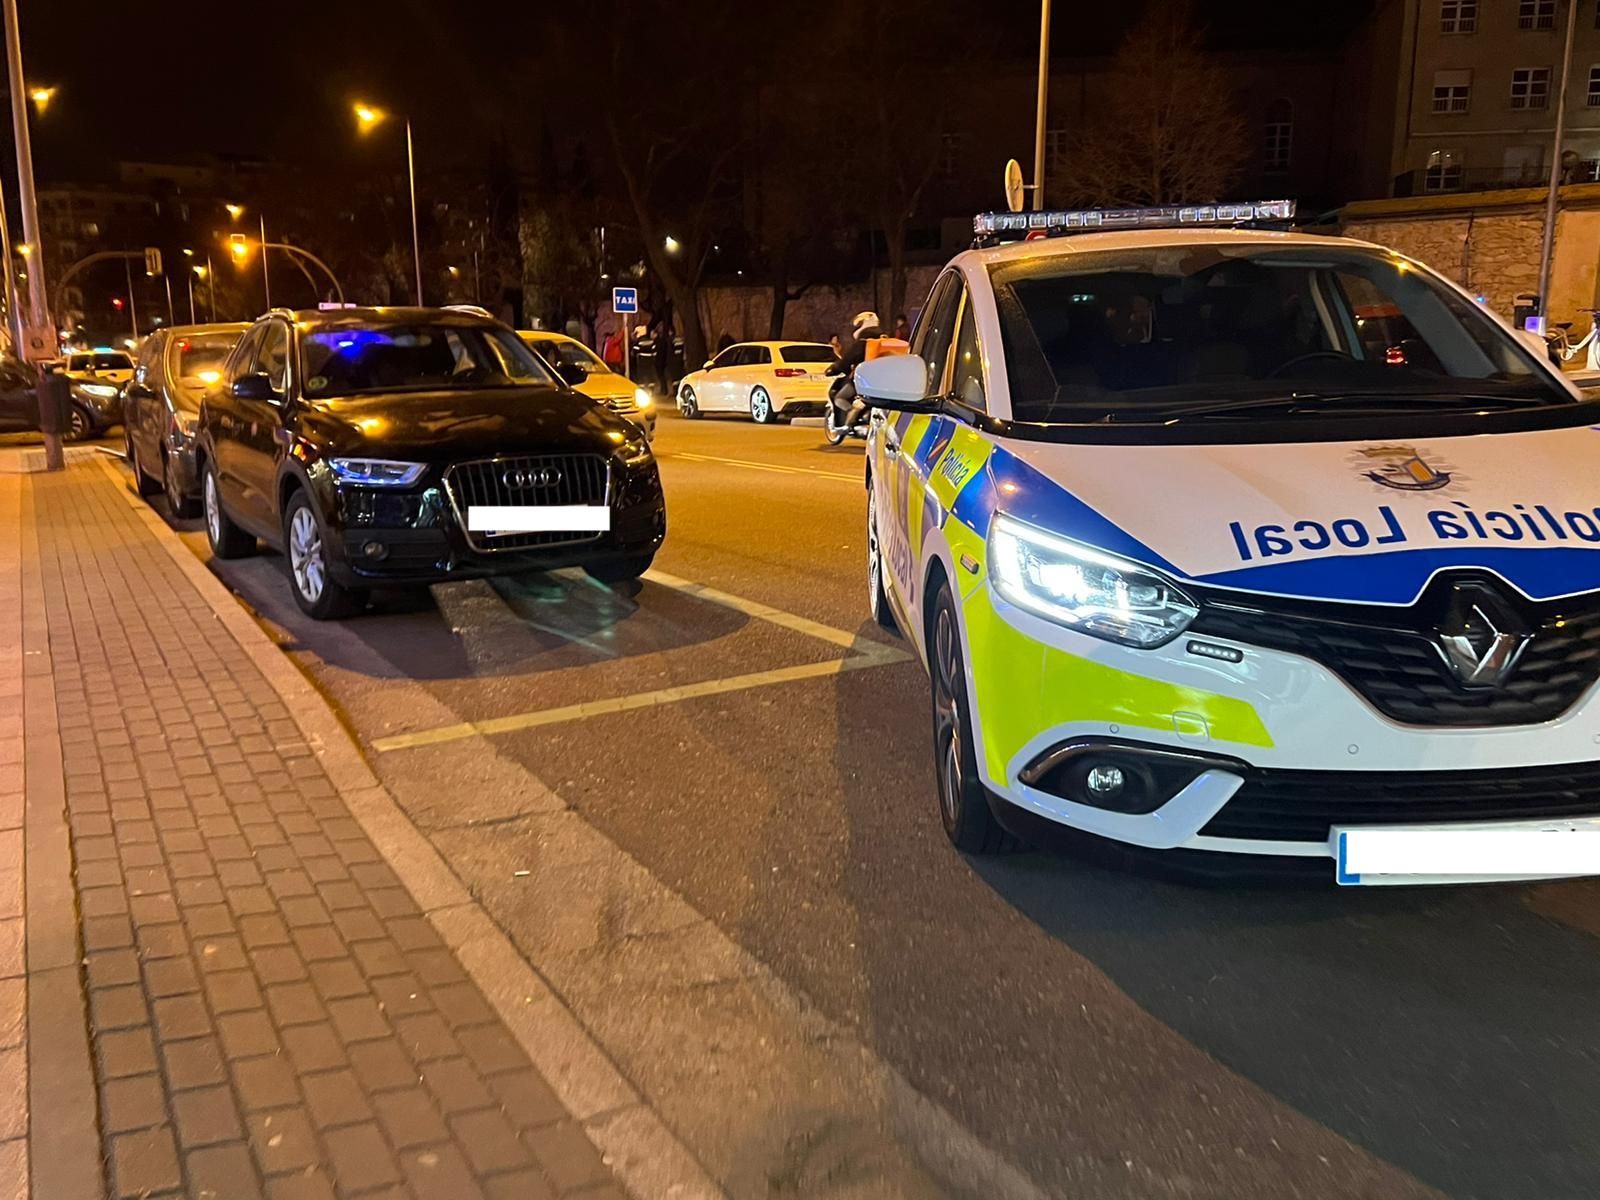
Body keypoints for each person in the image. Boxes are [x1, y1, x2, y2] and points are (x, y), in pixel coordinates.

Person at [824, 310, 882, 429]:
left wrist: (834, 368)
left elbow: (846, 361)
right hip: (883, 382)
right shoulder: (884, 341)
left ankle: (853, 413)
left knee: (839, 398)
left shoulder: (862, 343)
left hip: (863, 380)